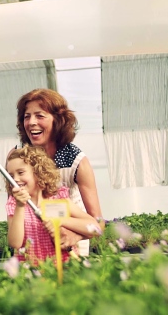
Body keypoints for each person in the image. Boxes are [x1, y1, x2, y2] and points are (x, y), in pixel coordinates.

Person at [13, 88, 105, 255]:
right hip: (31, 244)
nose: (32, 122)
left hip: (68, 246)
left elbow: (98, 222)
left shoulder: (76, 161)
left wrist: (73, 236)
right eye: (27, 116)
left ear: (58, 120)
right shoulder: (18, 158)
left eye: (40, 116)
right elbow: (13, 205)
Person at [5, 146, 98, 264]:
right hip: (31, 272)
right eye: (11, 176)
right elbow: (15, 243)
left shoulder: (58, 199)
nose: (15, 179)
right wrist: (20, 206)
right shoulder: (15, 204)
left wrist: (61, 221)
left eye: (21, 172)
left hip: (64, 269)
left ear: (38, 172)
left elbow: (95, 228)